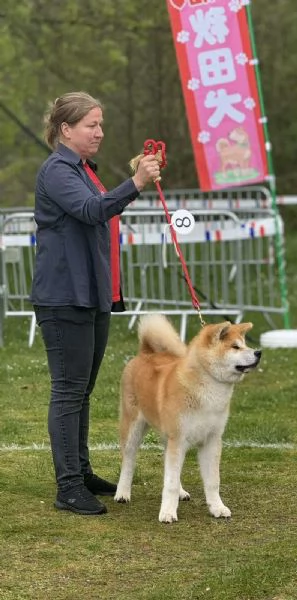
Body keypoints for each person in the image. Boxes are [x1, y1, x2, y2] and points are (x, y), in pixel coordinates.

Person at [30, 91, 160, 515]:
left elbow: (98, 210)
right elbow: (91, 211)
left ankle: (80, 472)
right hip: (64, 297)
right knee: (68, 392)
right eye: (91, 125)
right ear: (65, 130)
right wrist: (136, 183)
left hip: (91, 295)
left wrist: (132, 182)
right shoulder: (57, 170)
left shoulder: (84, 169)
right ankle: (68, 487)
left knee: (82, 391)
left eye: (101, 124)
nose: (100, 132)